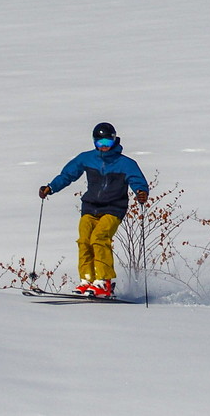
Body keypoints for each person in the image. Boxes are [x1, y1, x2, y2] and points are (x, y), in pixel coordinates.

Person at [38, 122, 149, 298]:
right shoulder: (87, 158)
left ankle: (104, 282)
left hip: (113, 208)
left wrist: (141, 193)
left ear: (114, 140)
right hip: (90, 207)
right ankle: (88, 281)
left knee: (99, 238)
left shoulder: (126, 163)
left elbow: (138, 181)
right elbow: (67, 175)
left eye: (107, 142)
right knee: (84, 241)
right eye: (100, 143)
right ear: (94, 142)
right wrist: (51, 188)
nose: (104, 146)